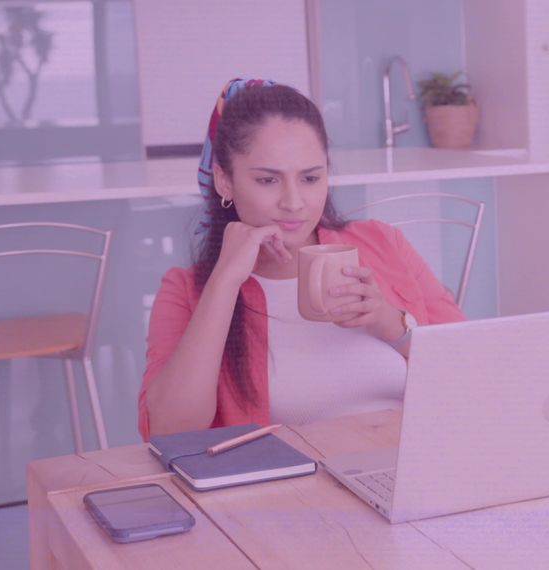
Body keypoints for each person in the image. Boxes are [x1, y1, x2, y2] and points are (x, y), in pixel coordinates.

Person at [138, 79, 465, 440]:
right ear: (224, 181)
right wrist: (225, 281)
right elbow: (169, 430)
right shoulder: (186, 289)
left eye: (310, 178)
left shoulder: (383, 243)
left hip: (414, 468)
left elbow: (471, 367)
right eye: (268, 180)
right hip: (292, 490)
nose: (294, 202)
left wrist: (393, 326)